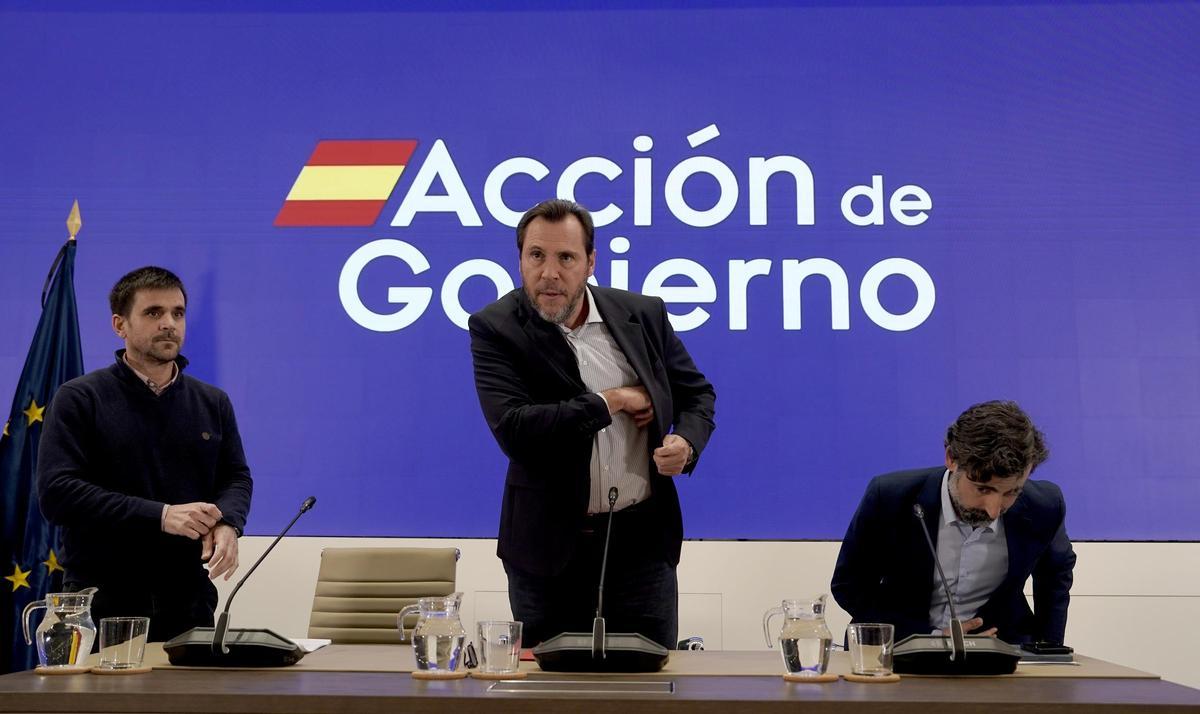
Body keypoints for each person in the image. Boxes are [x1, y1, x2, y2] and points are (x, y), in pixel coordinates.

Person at [469, 199, 716, 649]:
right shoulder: (497, 328)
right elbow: (517, 429)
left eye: (566, 258)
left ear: (589, 263)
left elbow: (697, 394)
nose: (549, 273)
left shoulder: (642, 315)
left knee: (650, 691)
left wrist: (686, 442)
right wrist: (614, 399)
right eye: (536, 255)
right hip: (546, 549)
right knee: (546, 696)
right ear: (520, 259)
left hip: (641, 543)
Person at [37, 266, 253, 642]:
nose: (169, 323)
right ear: (120, 325)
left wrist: (228, 522)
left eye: (178, 313)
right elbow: (59, 493)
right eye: (154, 313)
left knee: (188, 703)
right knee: (104, 704)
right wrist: (161, 515)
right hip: (101, 602)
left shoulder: (212, 402)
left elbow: (235, 477)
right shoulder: (80, 398)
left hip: (188, 600)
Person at [831, 400, 1075, 645]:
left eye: (1012, 492)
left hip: (1000, 653)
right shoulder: (890, 497)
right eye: (983, 489)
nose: (993, 510)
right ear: (951, 458)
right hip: (898, 649)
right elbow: (849, 586)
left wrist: (1049, 653)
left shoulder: (1045, 506)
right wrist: (928, 638)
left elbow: (1056, 578)